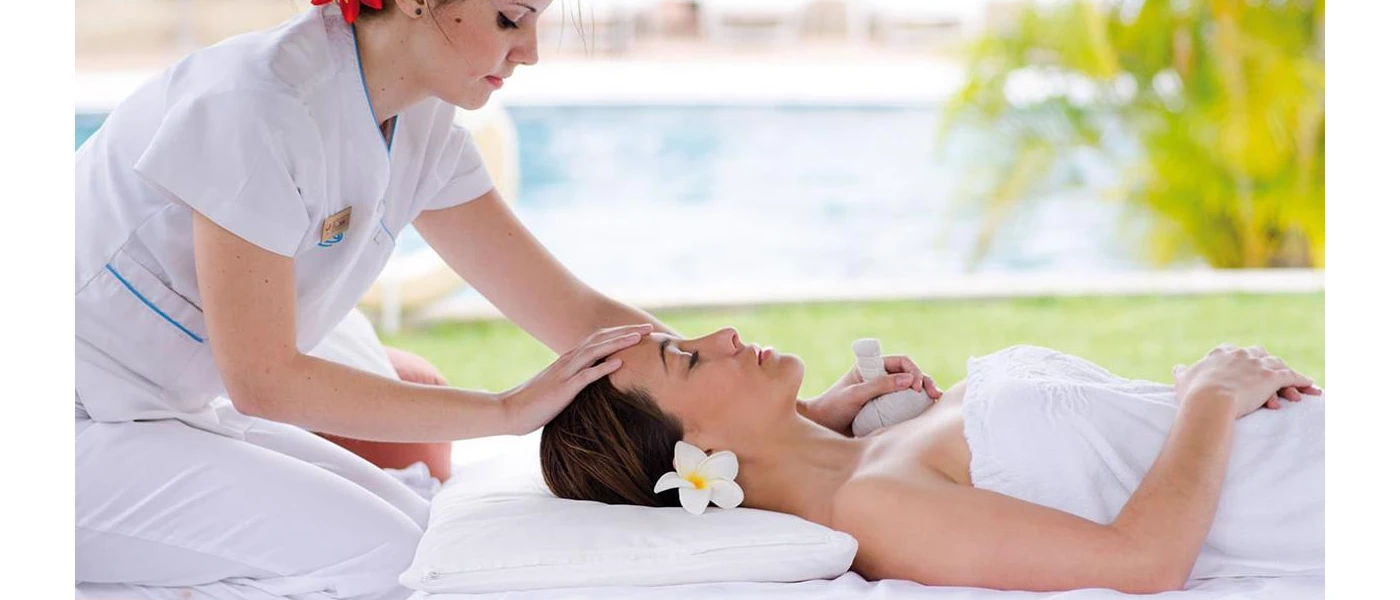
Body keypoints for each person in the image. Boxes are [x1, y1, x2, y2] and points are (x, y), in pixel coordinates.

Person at [74, 2, 934, 597]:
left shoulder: (416, 124)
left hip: (142, 410)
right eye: (510, 19)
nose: (530, 52)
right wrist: (506, 408)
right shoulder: (256, 107)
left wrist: (793, 412)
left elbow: (582, 318)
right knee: (384, 564)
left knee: (416, 518)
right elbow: (264, 379)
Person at [540, 328, 1325, 594]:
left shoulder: (867, 448)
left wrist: (810, 419)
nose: (722, 337)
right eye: (686, 358)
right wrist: (1211, 396)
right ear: (696, 454)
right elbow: (1143, 565)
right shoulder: (874, 507)